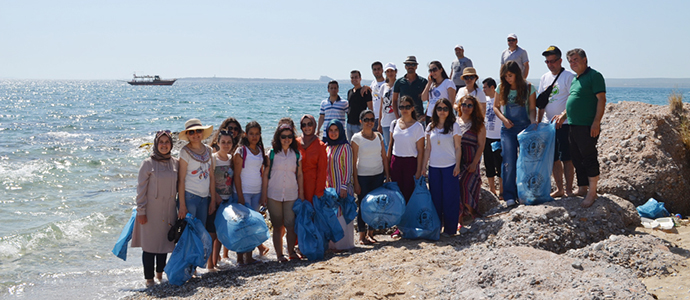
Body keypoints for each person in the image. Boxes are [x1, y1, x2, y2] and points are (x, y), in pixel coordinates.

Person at [554, 48, 607, 208]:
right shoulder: (576, 79)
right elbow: (573, 100)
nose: (572, 63)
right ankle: (582, 187)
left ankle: (592, 192)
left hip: (587, 125)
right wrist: (563, 116)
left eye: (575, 59)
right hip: (573, 125)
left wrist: (596, 121)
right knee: (576, 157)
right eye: (570, 61)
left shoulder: (594, 76)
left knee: (589, 156)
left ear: (585, 59)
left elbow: (601, 100)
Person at [132, 130, 178, 287]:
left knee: (164, 243)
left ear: (171, 145)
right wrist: (141, 211)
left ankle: (160, 274)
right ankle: (149, 278)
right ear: (156, 144)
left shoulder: (176, 163)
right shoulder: (147, 163)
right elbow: (141, 189)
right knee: (150, 245)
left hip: (169, 210)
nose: (164, 145)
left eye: (167, 142)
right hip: (151, 211)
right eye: (161, 142)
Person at [493, 61, 538, 207]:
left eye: (510, 75)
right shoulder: (501, 88)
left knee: (526, 162)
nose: (508, 79)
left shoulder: (529, 87)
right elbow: (496, 107)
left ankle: (525, 193)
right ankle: (509, 195)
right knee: (508, 162)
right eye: (505, 76)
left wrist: (533, 122)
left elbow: (532, 108)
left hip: (525, 128)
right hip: (508, 129)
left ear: (517, 74)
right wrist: (504, 120)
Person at [537, 46, 576, 198]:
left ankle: (569, 189)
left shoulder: (569, 76)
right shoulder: (544, 78)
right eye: (547, 61)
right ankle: (559, 188)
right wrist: (538, 123)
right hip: (549, 125)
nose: (550, 64)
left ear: (560, 61)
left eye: (553, 61)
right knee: (553, 159)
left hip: (564, 124)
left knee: (567, 157)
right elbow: (541, 102)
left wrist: (563, 116)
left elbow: (573, 100)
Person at [262, 123, 304, 262]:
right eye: (283, 136)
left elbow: (299, 175)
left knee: (290, 225)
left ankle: (291, 252)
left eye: (289, 136)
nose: (287, 139)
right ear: (278, 137)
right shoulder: (272, 153)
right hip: (274, 193)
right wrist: (264, 194)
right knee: (278, 226)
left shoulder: (296, 154)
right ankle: (280, 255)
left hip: (291, 193)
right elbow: (265, 174)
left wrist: (301, 193)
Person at [421, 99, 462, 236]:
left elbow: (457, 147)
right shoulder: (430, 126)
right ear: (435, 110)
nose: (442, 111)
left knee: (450, 198)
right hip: (434, 167)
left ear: (449, 110)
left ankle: (450, 229)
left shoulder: (454, 126)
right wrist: (423, 167)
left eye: (445, 108)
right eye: (439, 108)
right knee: (435, 199)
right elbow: (428, 149)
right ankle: (436, 228)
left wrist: (457, 164)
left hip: (450, 166)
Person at [233, 121, 270, 265]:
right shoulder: (241, 150)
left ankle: (249, 257)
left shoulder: (260, 150)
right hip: (243, 192)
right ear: (245, 134)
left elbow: (261, 172)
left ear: (260, 135)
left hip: (256, 192)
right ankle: (240, 258)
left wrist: (263, 194)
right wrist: (240, 196)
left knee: (252, 225)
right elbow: (236, 175)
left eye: (256, 134)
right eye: (251, 134)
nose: (254, 137)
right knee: (242, 227)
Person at [351, 110, 389, 245]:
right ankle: (361, 235)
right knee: (363, 205)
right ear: (361, 122)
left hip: (378, 175)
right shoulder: (356, 138)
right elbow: (353, 161)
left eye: (372, 119)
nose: (369, 122)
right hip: (363, 176)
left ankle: (371, 233)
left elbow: (384, 157)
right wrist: (355, 182)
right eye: (366, 119)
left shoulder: (379, 136)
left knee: (376, 206)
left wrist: (387, 175)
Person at [323, 119, 355, 250]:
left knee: (342, 215)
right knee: (332, 216)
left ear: (341, 131)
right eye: (331, 130)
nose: (333, 133)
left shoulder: (345, 147)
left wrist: (344, 186)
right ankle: (332, 245)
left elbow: (348, 168)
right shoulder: (327, 146)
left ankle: (344, 245)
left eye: (336, 130)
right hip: (330, 188)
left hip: (342, 187)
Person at [177, 119, 216, 228]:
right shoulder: (184, 152)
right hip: (190, 197)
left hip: (204, 198)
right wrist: (182, 205)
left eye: (198, 130)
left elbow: (211, 176)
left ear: (202, 132)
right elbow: (181, 179)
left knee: (200, 231)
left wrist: (213, 200)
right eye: (191, 132)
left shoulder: (209, 150)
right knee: (189, 232)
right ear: (187, 135)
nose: (195, 134)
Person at [388, 95, 425, 202]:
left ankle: (408, 217)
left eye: (407, 107)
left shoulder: (418, 126)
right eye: (402, 107)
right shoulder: (394, 124)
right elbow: (390, 146)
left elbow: (420, 150)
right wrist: (387, 169)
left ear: (412, 108)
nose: (404, 109)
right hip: (396, 162)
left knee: (409, 193)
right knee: (396, 194)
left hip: (410, 163)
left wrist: (419, 170)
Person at [456, 95, 486, 220]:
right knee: (455, 186)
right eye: (464, 104)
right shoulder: (454, 122)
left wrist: (474, 163)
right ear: (460, 106)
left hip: (470, 161)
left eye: (470, 105)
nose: (466, 108)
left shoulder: (478, 125)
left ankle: (473, 211)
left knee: (464, 184)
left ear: (474, 108)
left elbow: (481, 146)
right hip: (456, 161)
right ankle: (460, 216)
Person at [210, 129, 236, 269]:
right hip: (215, 200)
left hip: (229, 200)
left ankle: (216, 262)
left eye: (228, 142)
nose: (226, 145)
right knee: (212, 234)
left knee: (221, 233)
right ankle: (210, 264)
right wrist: (215, 197)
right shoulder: (213, 158)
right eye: (223, 142)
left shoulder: (232, 159)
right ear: (218, 143)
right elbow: (209, 179)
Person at [482, 78, 503, 198]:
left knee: (499, 164)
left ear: (492, 87)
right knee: (488, 163)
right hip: (486, 137)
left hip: (498, 137)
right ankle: (492, 189)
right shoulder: (484, 100)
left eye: (485, 87)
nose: (483, 89)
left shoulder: (500, 99)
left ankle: (502, 190)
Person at [393, 56, 428, 122]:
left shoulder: (423, 82)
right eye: (408, 64)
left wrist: (425, 115)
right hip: (403, 117)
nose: (410, 66)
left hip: (419, 118)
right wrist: (398, 117)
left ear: (416, 66)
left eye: (413, 64)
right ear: (405, 66)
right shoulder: (399, 82)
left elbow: (430, 99)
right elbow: (394, 100)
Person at [346, 70, 373, 141]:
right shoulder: (350, 92)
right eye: (352, 78)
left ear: (360, 78)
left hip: (359, 124)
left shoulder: (365, 91)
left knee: (360, 146)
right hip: (349, 124)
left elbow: (370, 108)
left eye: (356, 77)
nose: (354, 79)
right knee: (350, 145)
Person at [378, 62, 398, 151]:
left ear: (395, 72)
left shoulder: (399, 85)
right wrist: (379, 123)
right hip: (385, 122)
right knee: (387, 146)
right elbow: (381, 106)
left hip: (396, 120)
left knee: (397, 145)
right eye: (388, 71)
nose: (390, 73)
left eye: (392, 71)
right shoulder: (383, 87)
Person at [370, 62, 386, 132]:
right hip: (374, 117)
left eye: (379, 69)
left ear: (382, 70)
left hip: (384, 117)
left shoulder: (386, 83)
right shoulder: (373, 83)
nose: (377, 71)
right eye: (375, 69)